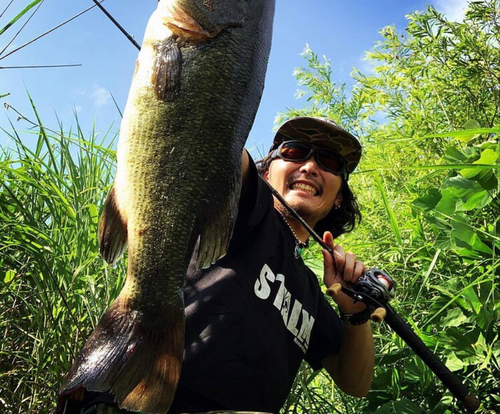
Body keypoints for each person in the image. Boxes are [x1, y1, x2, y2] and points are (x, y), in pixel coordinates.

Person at [59, 116, 374, 414]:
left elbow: (355, 383)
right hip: (132, 398)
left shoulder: (310, 292)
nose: (309, 167)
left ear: (338, 198)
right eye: (294, 152)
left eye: (329, 162)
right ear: (266, 172)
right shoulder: (250, 207)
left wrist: (355, 312)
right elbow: (217, 137)